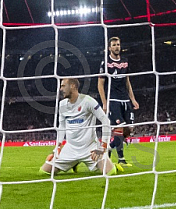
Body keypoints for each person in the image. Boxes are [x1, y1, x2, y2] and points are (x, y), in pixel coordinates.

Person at [40, 78, 117, 176]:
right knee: (44, 172)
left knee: (110, 172)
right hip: (70, 149)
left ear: (72, 86)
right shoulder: (62, 104)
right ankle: (74, 162)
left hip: (90, 148)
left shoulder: (88, 101)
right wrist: (57, 148)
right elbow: (62, 126)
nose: (60, 89)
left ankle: (111, 162)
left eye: (63, 86)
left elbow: (105, 121)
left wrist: (103, 147)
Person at [98, 37, 139, 170]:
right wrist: (104, 103)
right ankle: (120, 159)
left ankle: (109, 148)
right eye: (114, 45)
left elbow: (127, 81)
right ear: (109, 48)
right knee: (119, 128)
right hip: (113, 100)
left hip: (125, 99)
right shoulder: (106, 63)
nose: (117, 47)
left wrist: (132, 99)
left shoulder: (125, 62)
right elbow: (100, 84)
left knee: (129, 129)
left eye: (118, 44)